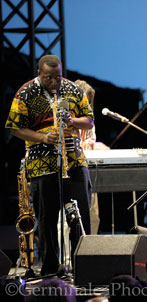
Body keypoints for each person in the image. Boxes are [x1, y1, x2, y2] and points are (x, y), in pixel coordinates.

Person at [5, 54, 94, 275]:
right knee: (47, 216)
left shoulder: (72, 89)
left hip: (73, 159)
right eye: (49, 78)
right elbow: (15, 128)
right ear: (39, 74)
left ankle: (83, 265)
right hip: (41, 162)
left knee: (80, 213)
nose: (54, 82)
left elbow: (89, 120)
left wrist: (72, 121)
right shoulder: (25, 93)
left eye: (58, 77)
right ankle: (51, 267)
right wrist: (43, 138)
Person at [74, 79, 110, 235]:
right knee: (69, 217)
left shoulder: (89, 122)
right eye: (84, 101)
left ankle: (90, 252)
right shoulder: (67, 119)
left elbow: (91, 142)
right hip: (71, 173)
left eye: (89, 102)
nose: (87, 105)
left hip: (88, 171)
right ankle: (67, 257)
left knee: (93, 215)